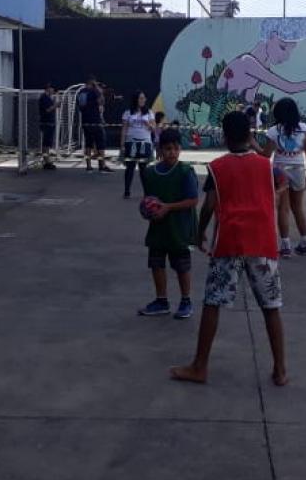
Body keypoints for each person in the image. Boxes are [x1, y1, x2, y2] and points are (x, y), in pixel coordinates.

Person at [170, 111, 288, 386]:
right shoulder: (266, 166)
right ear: (250, 135)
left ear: (224, 137)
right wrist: (274, 197)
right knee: (271, 306)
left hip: (230, 241)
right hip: (262, 242)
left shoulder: (217, 167)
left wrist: (199, 234)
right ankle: (280, 369)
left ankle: (200, 366)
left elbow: (209, 205)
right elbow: (283, 181)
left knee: (213, 301)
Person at [137, 129, 200, 319]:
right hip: (158, 228)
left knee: (182, 265)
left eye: (175, 148)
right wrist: (148, 210)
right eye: (167, 149)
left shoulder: (185, 172)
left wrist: (167, 207)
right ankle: (161, 300)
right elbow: (149, 198)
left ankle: (186, 300)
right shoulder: (149, 173)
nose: (172, 152)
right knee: (156, 264)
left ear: (180, 149)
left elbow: (193, 200)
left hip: (179, 228)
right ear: (160, 150)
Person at [262, 97, 306, 257]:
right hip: (298, 168)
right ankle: (305, 243)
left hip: (279, 170)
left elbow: (265, 155)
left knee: (283, 209)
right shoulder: (304, 129)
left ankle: (285, 246)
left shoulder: (273, 131)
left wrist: (253, 144)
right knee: (298, 207)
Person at [120, 90, 157, 199]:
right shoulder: (128, 112)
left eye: (144, 98)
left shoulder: (149, 112)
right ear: (136, 99)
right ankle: (127, 191)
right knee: (129, 168)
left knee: (143, 169)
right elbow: (124, 128)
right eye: (141, 98)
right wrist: (122, 145)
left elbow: (154, 128)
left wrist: (148, 124)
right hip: (131, 143)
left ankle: (147, 192)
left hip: (144, 143)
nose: (143, 100)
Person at [77, 76, 112, 173]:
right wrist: (99, 91)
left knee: (88, 144)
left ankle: (88, 166)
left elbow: (80, 107)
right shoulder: (94, 91)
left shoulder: (81, 92)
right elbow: (101, 101)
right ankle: (102, 166)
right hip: (95, 122)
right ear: (92, 82)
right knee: (100, 144)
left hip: (85, 122)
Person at [38, 83, 58, 169]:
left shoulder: (48, 98)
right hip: (46, 123)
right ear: (48, 88)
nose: (53, 91)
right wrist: (55, 105)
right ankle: (46, 161)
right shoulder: (44, 98)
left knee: (47, 143)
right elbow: (47, 110)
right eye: (53, 89)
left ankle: (47, 160)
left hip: (49, 123)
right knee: (46, 144)